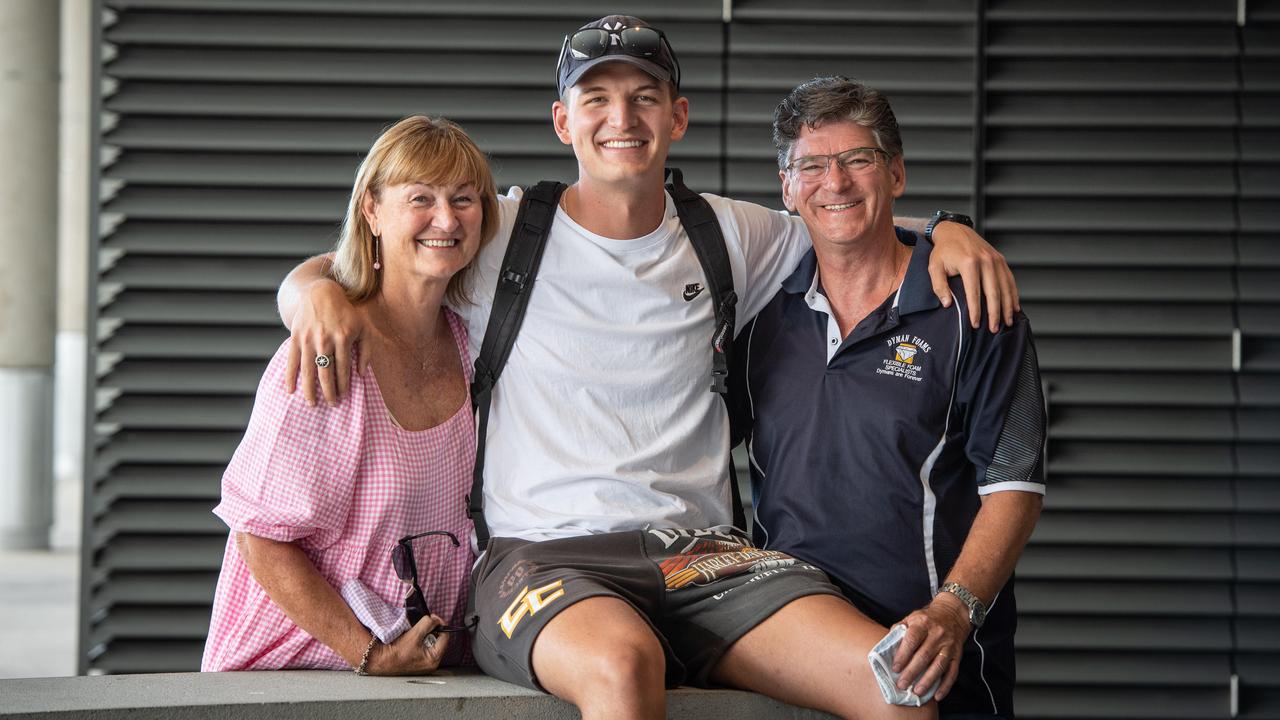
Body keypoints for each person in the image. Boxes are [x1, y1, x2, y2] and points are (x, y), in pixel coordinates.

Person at [277, 16, 1019, 719]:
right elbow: (383, 256)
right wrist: (308, 290)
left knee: (896, 685)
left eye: (643, 98)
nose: (621, 118)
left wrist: (953, 230)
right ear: (564, 122)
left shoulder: (726, 232)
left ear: (678, 116)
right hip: (544, 559)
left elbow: (849, 217)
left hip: (703, 560)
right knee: (625, 667)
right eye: (595, 99)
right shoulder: (502, 233)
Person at [732, 76, 1045, 718]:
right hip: (787, 644)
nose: (835, 183)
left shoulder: (974, 307)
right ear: (787, 189)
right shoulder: (758, 312)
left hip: (934, 653)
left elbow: (1015, 485)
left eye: (857, 160)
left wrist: (953, 611)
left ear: (895, 173)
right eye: (812, 166)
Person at [201, 115, 498, 675]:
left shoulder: (469, 340)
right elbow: (260, 538)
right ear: (372, 210)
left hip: (417, 672)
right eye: (421, 198)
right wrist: (371, 653)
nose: (446, 218)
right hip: (297, 673)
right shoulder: (331, 350)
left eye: (464, 198)